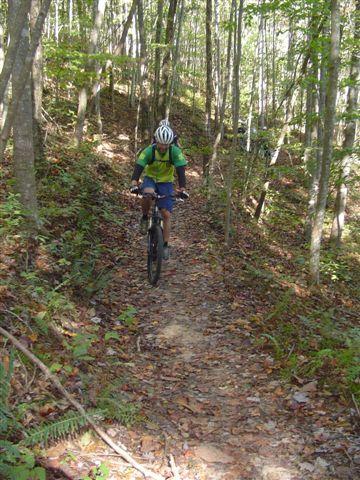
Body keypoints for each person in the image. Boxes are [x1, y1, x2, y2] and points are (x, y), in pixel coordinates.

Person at [130, 125, 188, 260]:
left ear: (170, 143)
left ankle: (165, 244)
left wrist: (182, 188)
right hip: (151, 179)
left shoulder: (175, 152)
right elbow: (139, 166)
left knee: (166, 214)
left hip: (166, 182)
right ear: (156, 141)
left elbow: (180, 170)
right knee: (147, 194)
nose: (163, 147)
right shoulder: (149, 151)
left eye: (166, 145)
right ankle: (145, 217)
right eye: (161, 144)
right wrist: (134, 182)